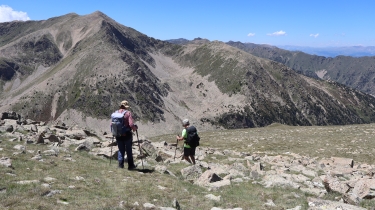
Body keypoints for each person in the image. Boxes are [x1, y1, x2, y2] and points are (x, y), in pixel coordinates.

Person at [115, 100, 138, 170]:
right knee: (128, 150)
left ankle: (120, 165)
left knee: (121, 150)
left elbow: (111, 124)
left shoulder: (116, 113)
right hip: (127, 135)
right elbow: (131, 124)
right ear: (126, 106)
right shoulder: (128, 113)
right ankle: (131, 166)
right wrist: (135, 128)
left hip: (118, 135)